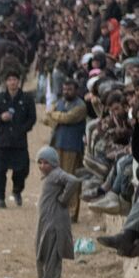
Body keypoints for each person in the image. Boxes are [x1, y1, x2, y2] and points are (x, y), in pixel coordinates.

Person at [30, 146, 79, 278]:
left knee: (51, 258)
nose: (42, 166)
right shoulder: (50, 176)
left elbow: (73, 181)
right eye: (40, 162)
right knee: (42, 256)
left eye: (46, 163)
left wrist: (64, 199)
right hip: (46, 224)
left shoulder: (57, 173)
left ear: (54, 163)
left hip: (54, 225)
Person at [0, 71, 37, 208]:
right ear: (6, 82)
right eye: (9, 80)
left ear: (19, 81)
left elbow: (32, 118)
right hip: (3, 140)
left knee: (22, 170)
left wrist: (22, 129)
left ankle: (17, 190)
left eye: (14, 79)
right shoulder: (0, 98)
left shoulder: (27, 99)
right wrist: (0, 118)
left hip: (19, 141)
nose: (12, 82)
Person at [42, 77, 87, 220]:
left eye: (70, 89)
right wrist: (55, 116)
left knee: (71, 179)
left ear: (76, 90)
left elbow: (67, 118)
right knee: (56, 179)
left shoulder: (80, 106)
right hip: (57, 145)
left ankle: (72, 212)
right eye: (65, 89)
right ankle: (57, 209)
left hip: (72, 148)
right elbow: (46, 120)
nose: (66, 92)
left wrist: (53, 115)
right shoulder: (60, 102)